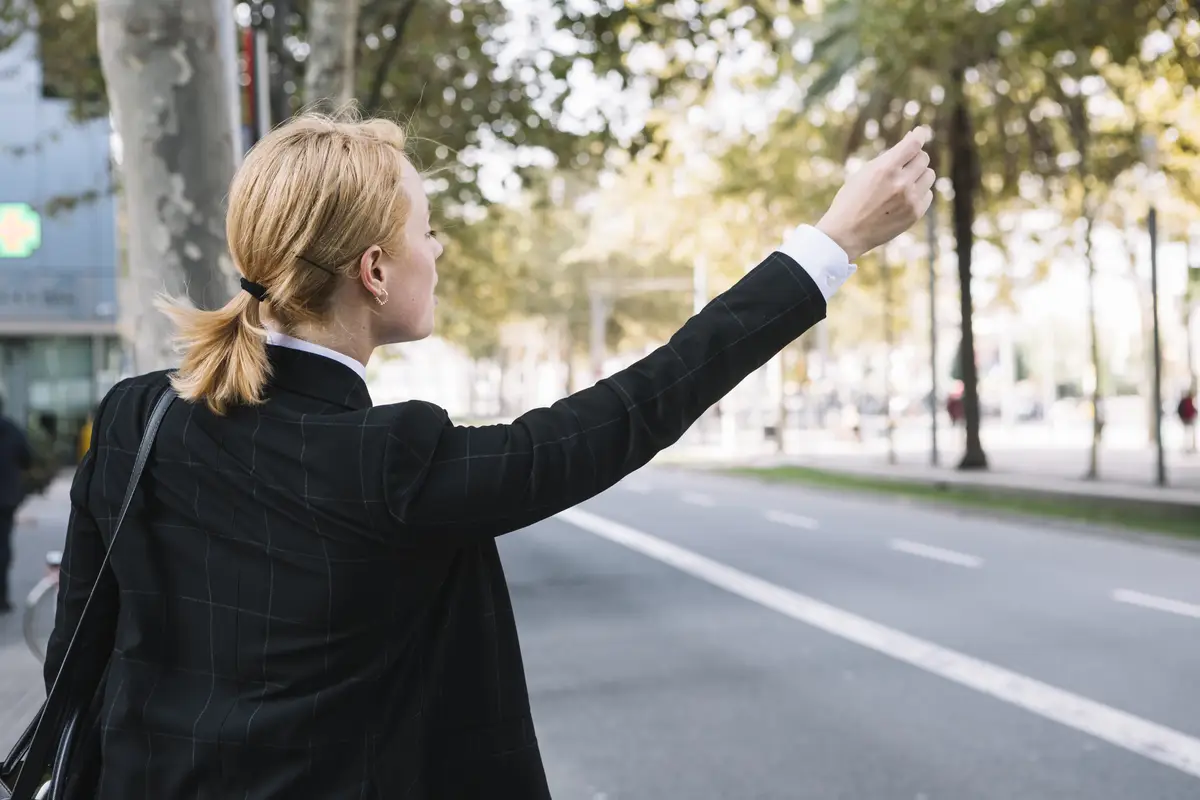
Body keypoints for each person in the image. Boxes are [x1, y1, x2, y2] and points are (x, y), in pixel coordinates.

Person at [47, 109, 935, 799]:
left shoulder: (135, 419)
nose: (438, 248)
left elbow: (74, 659)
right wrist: (833, 244)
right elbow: (636, 407)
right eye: (425, 228)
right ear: (375, 271)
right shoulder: (390, 463)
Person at [0, 395, 33, 613]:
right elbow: (27, 459)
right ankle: (2, 599)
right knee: (2, 547)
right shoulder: (12, 429)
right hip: (5, 498)